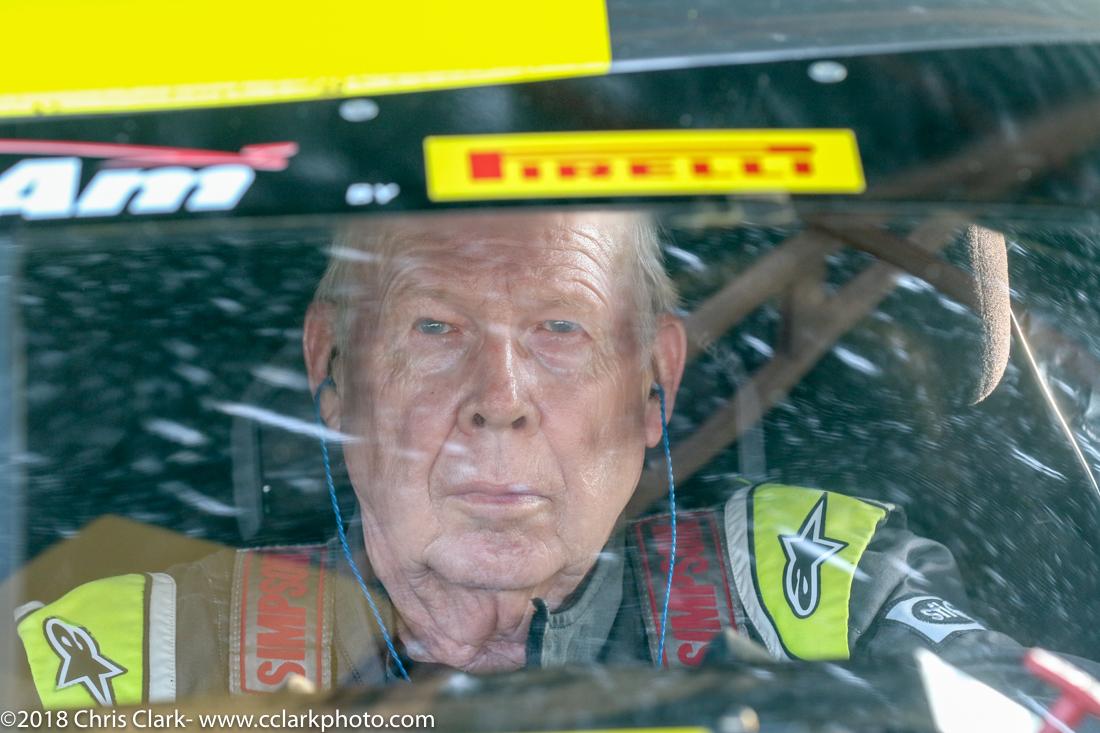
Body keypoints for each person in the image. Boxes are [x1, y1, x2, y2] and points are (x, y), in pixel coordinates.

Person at [11, 209, 1050, 709]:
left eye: (559, 328)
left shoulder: (814, 582)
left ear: (653, 381)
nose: (499, 400)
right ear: (335, 370)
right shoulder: (146, 647)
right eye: (434, 328)